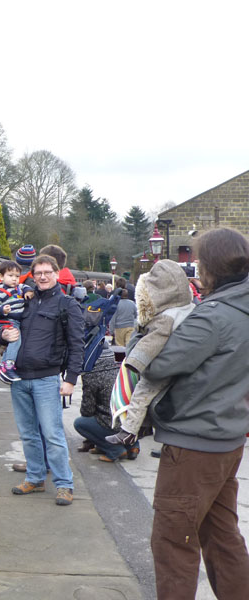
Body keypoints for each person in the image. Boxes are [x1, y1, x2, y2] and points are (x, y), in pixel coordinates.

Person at [134, 228, 249, 599]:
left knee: (173, 542)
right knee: (221, 535)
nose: (196, 268)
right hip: (227, 439)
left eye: (199, 261)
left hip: (193, 445)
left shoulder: (213, 317)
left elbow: (155, 365)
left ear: (213, 267)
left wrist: (143, 332)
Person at [0, 254, 84, 506]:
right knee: (28, 434)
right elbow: (7, 334)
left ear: (56, 274)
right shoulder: (24, 301)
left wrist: (70, 379)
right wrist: (4, 336)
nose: (43, 277)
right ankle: (35, 477)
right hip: (19, 378)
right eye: (38, 273)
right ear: (33, 276)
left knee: (52, 434)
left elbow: (77, 345)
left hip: (47, 379)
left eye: (48, 272)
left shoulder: (66, 304)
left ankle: (64, 484)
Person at [106, 260, 195, 447]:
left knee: (141, 393)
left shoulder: (165, 317)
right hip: (181, 365)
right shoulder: (191, 309)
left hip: (163, 365)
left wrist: (135, 362)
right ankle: (144, 426)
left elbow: (153, 341)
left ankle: (129, 432)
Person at [73, 341, 139, 461]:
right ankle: (133, 446)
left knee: (80, 423)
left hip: (112, 422)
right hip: (132, 419)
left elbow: (87, 410)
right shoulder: (121, 364)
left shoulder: (91, 373)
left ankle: (114, 450)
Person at [0, 260, 34, 383]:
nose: (14, 279)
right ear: (1, 277)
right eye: (11, 276)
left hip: (17, 320)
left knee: (16, 340)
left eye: (17, 276)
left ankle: (3, 366)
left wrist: (28, 291)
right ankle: (8, 365)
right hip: (8, 321)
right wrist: (2, 309)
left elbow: (25, 286)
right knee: (15, 340)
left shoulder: (19, 288)